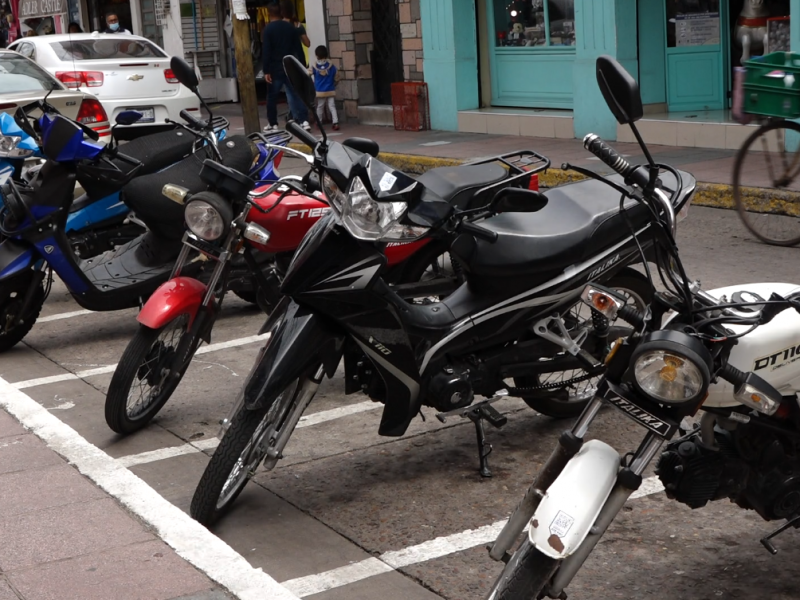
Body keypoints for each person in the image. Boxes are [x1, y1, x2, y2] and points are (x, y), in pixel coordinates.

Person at [261, 2, 310, 132]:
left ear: (269, 13)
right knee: (297, 94)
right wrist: (302, 65)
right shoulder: (290, 28)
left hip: (275, 68)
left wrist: (266, 70)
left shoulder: (268, 30)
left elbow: (266, 50)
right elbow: (298, 48)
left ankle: (273, 123)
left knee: (272, 96)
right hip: (290, 67)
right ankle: (304, 120)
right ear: (281, 12)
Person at [312, 45, 338, 131]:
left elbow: (308, 73)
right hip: (330, 89)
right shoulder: (331, 66)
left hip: (320, 90)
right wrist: (334, 83)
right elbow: (337, 76)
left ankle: (319, 122)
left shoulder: (315, 67)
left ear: (317, 55)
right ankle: (335, 122)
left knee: (320, 106)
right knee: (332, 106)